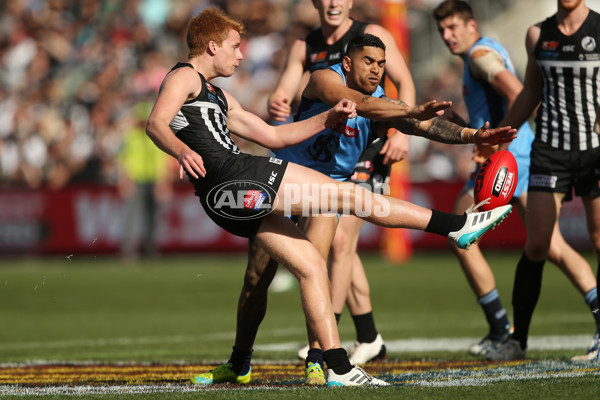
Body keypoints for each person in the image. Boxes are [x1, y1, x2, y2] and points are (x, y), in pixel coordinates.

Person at [145, 8, 514, 387]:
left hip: (231, 192)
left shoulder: (220, 97)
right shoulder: (185, 75)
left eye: (381, 63)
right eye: (235, 47)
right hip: (244, 176)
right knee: (347, 200)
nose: (241, 55)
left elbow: (273, 136)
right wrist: (180, 151)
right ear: (211, 46)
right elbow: (156, 122)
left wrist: (471, 136)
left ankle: (331, 364)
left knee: (310, 265)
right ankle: (456, 226)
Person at [433, 0, 600, 358]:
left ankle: (500, 329)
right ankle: (515, 334)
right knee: (547, 246)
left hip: (512, 160)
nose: (447, 37)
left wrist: (495, 142)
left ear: (471, 25)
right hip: (529, 153)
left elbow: (514, 91)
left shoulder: (479, 55)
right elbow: (518, 96)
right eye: (442, 31)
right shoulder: (510, 43)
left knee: (458, 231)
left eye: (453, 28)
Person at [268, 0, 416, 367]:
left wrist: (399, 132)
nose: (334, 2)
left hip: (366, 147)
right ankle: (368, 335)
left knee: (340, 241)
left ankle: (325, 335)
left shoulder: (373, 36)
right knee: (338, 246)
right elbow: (288, 87)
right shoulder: (306, 45)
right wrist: (279, 99)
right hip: (328, 155)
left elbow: (405, 82)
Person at [485, 0, 600, 361]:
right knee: (537, 245)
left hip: (595, 151)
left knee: (599, 239)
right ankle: (517, 342)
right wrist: (502, 136)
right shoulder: (538, 33)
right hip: (550, 151)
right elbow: (531, 93)